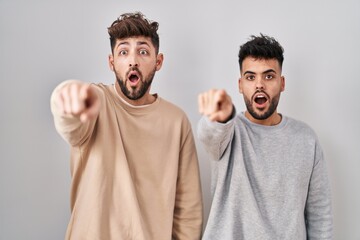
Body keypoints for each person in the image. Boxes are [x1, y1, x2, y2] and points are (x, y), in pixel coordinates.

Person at [50, 12, 203, 240]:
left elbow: (188, 211)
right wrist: (67, 98)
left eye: (143, 51)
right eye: (123, 52)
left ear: (158, 61)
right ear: (112, 62)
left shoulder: (176, 121)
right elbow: (71, 122)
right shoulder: (96, 101)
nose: (133, 60)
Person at [197, 34, 332, 239]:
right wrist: (221, 116)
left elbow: (320, 216)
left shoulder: (306, 139)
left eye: (269, 76)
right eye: (251, 77)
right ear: (241, 84)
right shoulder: (228, 131)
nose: (259, 85)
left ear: (282, 83)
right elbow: (208, 134)